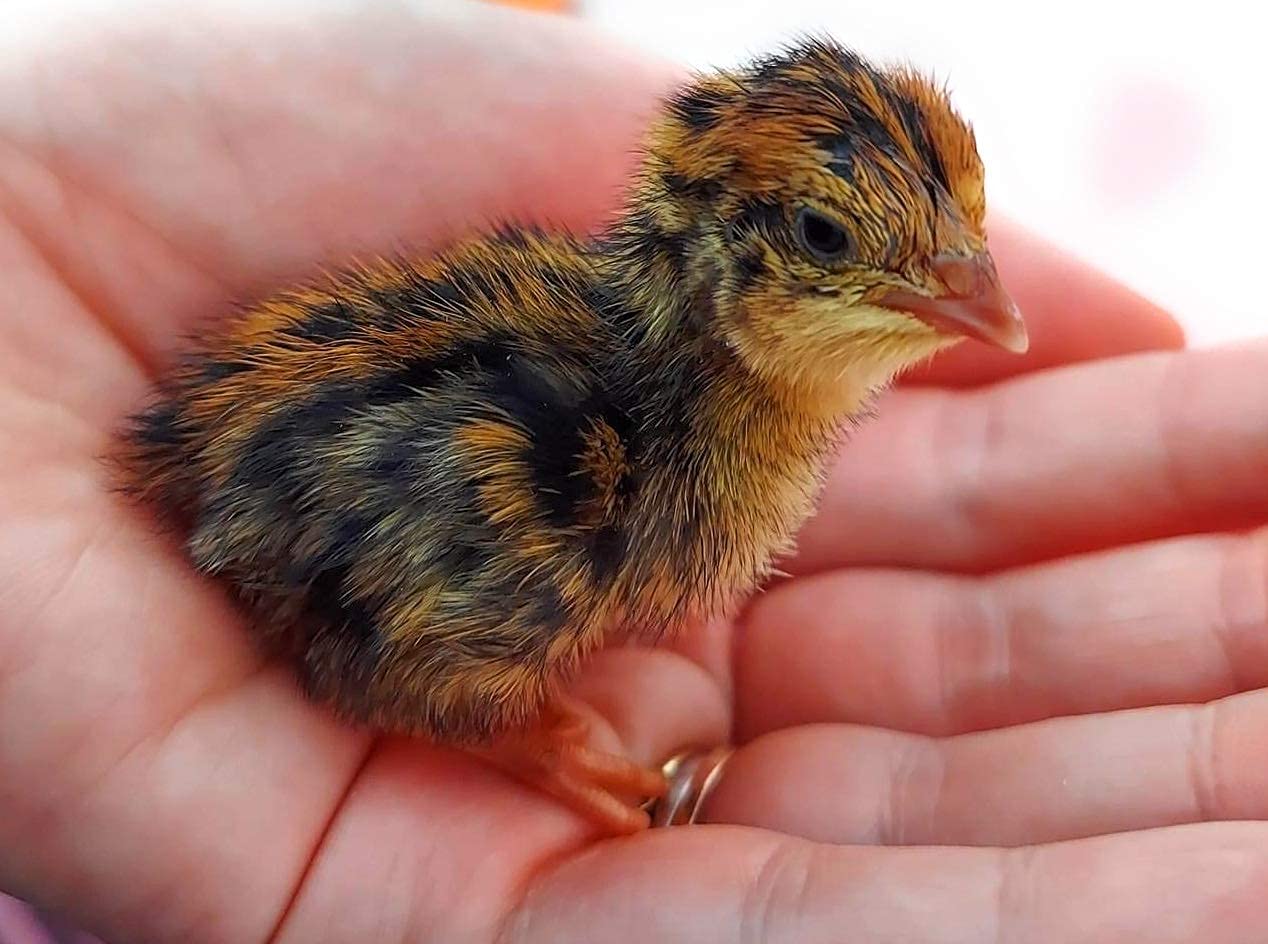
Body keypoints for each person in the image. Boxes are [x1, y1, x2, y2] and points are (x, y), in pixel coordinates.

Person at [1, 2, 1265, 941]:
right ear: (711, 253)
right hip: (318, 527)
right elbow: (397, 586)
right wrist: (509, 725)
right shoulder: (596, 476)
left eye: (960, 234)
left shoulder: (642, 399)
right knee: (491, 549)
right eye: (828, 240)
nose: (971, 285)